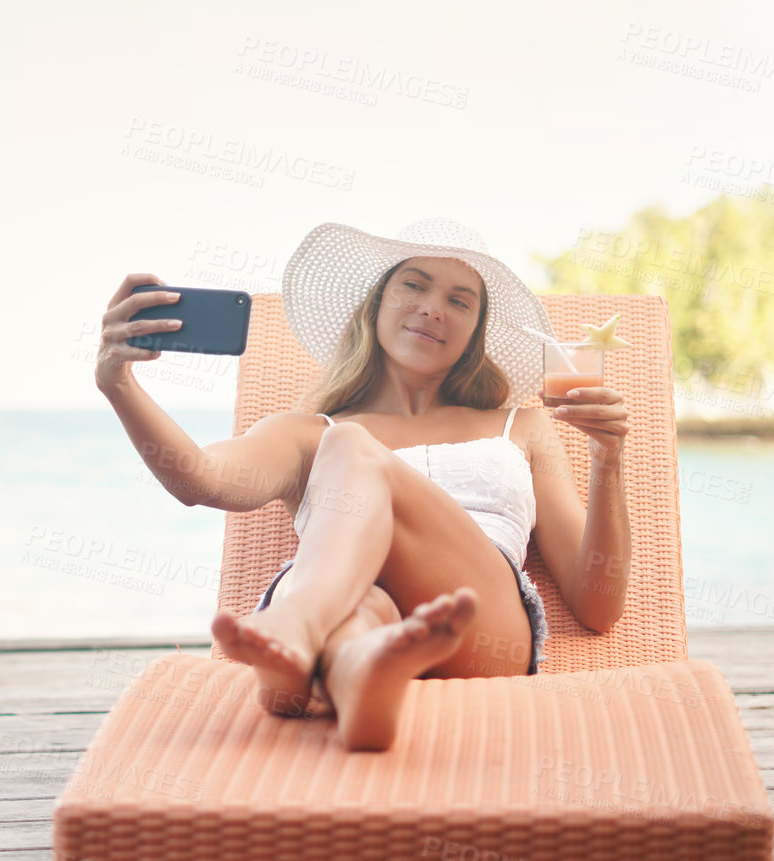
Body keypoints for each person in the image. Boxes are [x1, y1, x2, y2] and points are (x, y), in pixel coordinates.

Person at [95, 217, 631, 751]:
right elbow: (200, 480)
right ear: (377, 302)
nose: (432, 307)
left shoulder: (524, 426)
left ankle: (295, 632)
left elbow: (597, 606)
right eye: (414, 285)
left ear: (475, 332)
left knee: (350, 447)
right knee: (363, 610)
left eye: (460, 301)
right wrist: (119, 384)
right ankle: (359, 675)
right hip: (353, 616)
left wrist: (607, 457)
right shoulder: (305, 433)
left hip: (478, 626)